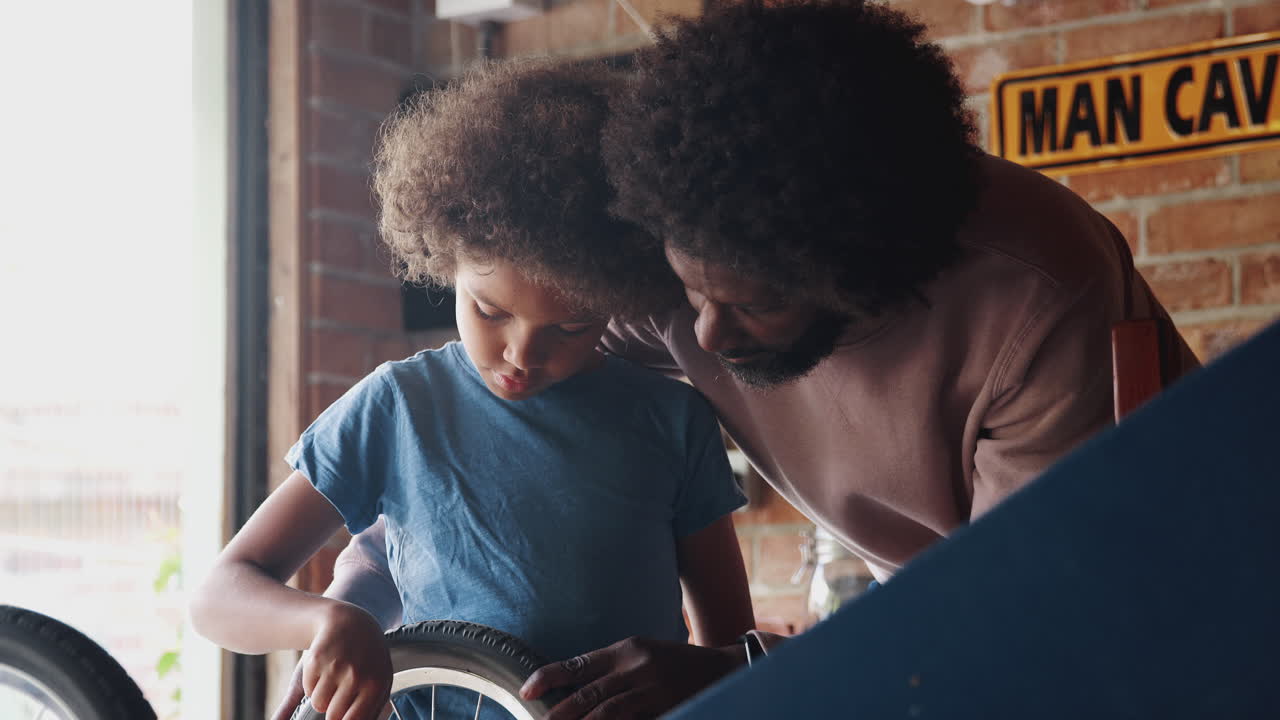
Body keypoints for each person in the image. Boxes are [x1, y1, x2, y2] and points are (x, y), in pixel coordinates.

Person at [278, 1, 1203, 718]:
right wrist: (364, 603)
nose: (707, 339)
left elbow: (1022, 629)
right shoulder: (668, 271)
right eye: (691, 294)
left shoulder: (1038, 299)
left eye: (755, 305)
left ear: (862, 274)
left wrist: (735, 666)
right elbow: (480, 438)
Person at [190, 57, 754, 720]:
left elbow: (733, 658)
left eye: (571, 327)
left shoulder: (673, 421)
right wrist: (327, 622)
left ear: (619, 298)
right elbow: (219, 595)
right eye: (489, 311)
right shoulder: (399, 406)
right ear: (447, 259)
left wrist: (700, 676)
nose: (521, 355)